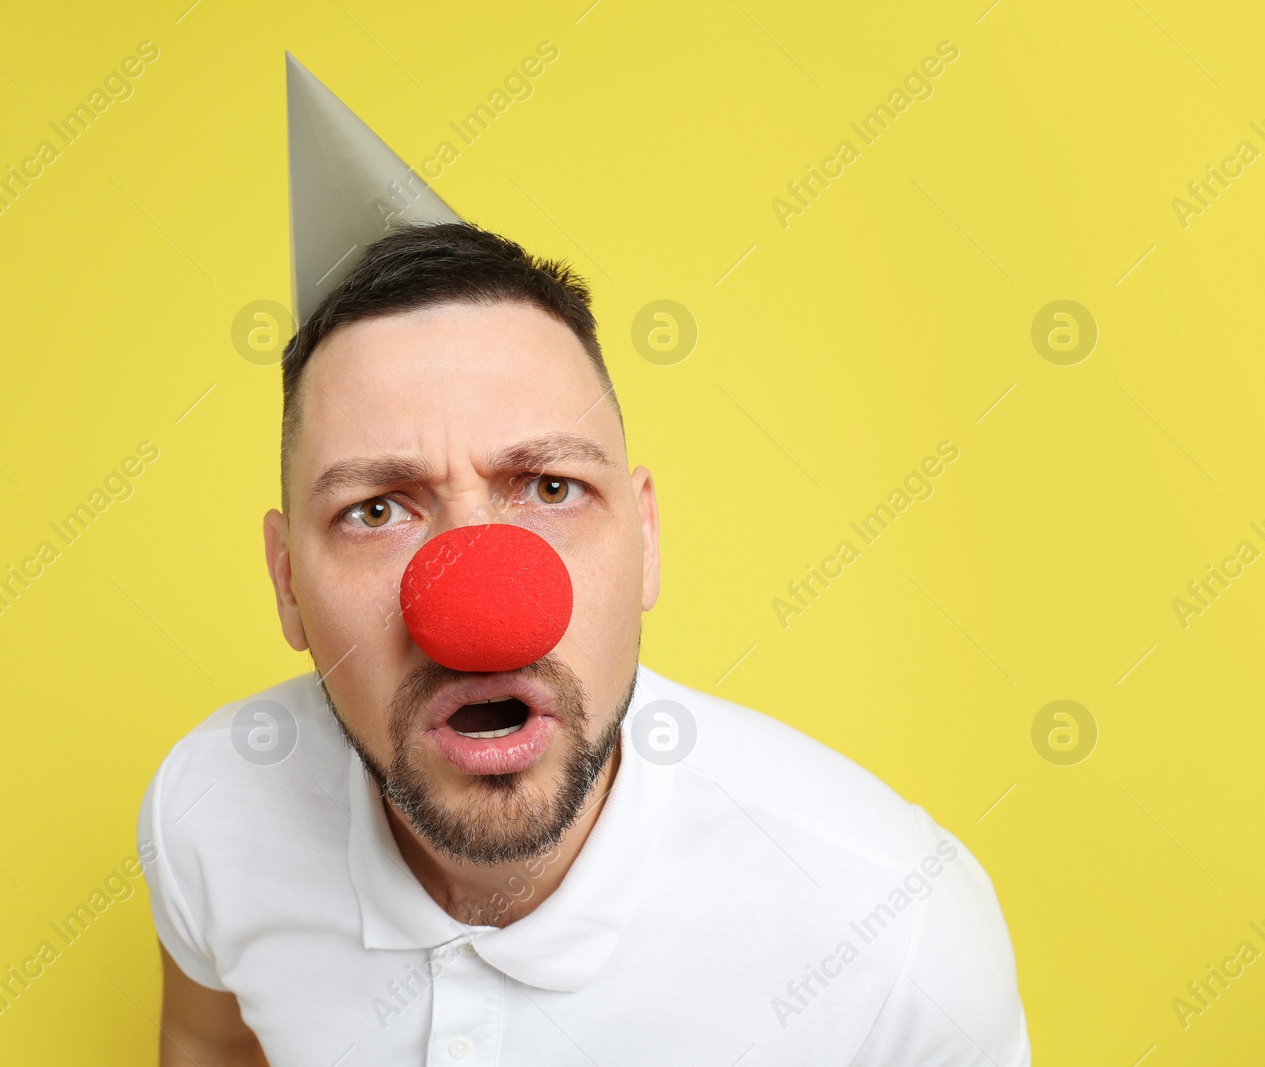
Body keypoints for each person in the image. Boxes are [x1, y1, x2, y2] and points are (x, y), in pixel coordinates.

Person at [135, 57, 1029, 1067]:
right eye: (375, 508)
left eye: (550, 487)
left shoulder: (890, 927)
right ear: (287, 579)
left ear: (644, 540)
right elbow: (207, 1043)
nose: (477, 605)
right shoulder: (212, 808)